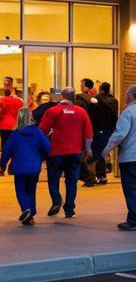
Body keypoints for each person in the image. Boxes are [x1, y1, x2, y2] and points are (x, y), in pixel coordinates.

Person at [102, 84, 136, 231]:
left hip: (131, 155)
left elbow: (119, 134)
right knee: (135, 187)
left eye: (126, 94)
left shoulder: (128, 113)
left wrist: (106, 150)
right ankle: (135, 216)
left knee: (131, 188)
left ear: (130, 95)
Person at [38, 87, 93, 218]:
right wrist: (88, 150)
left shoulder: (52, 111)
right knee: (72, 181)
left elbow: (42, 132)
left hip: (56, 152)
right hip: (75, 152)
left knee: (53, 178)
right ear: (73, 97)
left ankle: (56, 200)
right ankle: (69, 209)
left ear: (62, 96)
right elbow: (89, 134)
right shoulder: (81, 112)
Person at [0, 108, 51, 225]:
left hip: (19, 167)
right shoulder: (38, 132)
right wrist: (41, 157)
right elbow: (48, 148)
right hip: (34, 166)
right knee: (31, 190)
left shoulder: (15, 134)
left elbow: (7, 150)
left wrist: (2, 166)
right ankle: (31, 213)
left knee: (21, 190)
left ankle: (26, 209)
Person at [89, 82, 119, 186]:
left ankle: (100, 175)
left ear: (101, 90)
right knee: (104, 151)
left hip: (99, 129)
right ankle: (102, 174)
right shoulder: (115, 101)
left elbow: (93, 114)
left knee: (98, 152)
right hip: (110, 129)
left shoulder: (97, 99)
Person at [0, 86, 23, 159]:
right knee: (14, 141)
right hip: (15, 124)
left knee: (4, 141)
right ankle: (13, 155)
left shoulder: (1, 100)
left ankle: (5, 156)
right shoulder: (19, 101)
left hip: (3, 124)